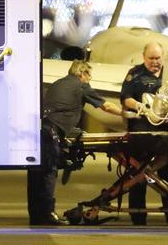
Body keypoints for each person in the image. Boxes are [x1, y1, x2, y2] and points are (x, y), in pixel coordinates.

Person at [28, 60, 121, 226]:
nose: (89, 80)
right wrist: (127, 114)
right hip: (51, 134)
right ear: (82, 74)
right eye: (89, 76)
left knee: (35, 175)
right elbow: (105, 106)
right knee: (49, 174)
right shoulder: (80, 86)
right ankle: (48, 214)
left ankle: (35, 215)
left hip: (37, 131)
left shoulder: (56, 84)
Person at [121, 42, 168, 225]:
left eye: (158, 58)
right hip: (142, 131)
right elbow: (125, 98)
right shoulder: (135, 74)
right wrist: (139, 106)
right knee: (138, 175)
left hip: (165, 130)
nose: (155, 62)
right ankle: (138, 217)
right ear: (144, 58)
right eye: (151, 58)